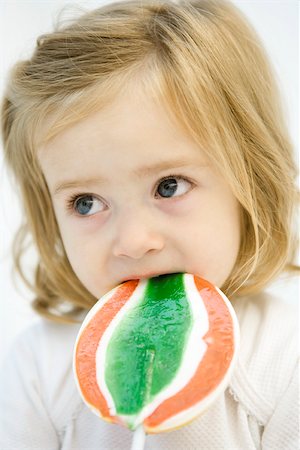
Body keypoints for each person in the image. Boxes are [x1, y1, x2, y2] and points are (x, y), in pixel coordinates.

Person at [0, 0, 298, 449]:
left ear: (249, 181)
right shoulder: (38, 369)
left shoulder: (286, 358)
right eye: (85, 203)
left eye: (169, 186)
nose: (134, 242)